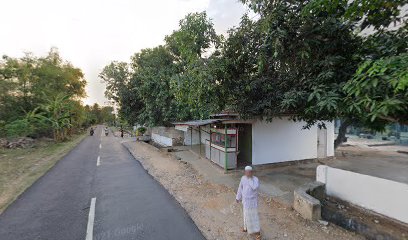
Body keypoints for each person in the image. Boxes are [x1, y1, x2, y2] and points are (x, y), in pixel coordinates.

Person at [236, 166, 261, 239]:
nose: (247, 173)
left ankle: (257, 233)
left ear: (252, 172)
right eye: (246, 172)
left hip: (252, 202)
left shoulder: (255, 179)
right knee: (245, 214)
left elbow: (254, 187)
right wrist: (238, 197)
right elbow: (240, 188)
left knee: (254, 217)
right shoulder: (243, 178)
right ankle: (245, 227)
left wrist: (250, 178)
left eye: (249, 172)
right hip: (245, 201)